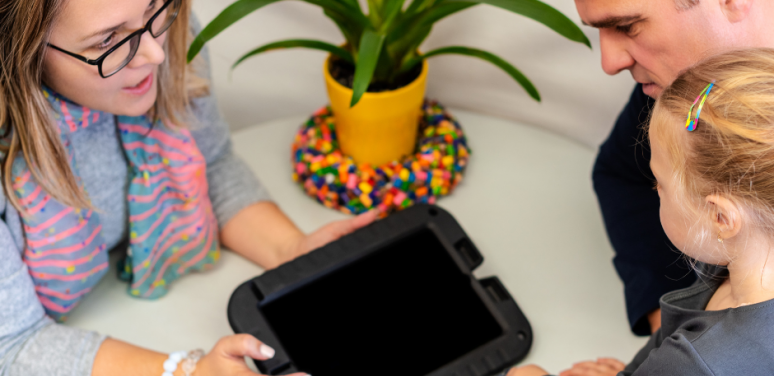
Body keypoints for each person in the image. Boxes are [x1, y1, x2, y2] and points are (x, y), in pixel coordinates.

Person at [0, 0, 377, 375]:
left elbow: (211, 161)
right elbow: (11, 343)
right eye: (107, 42)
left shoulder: (169, 34)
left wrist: (294, 253)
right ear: (19, 50)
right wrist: (188, 371)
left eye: (151, 9)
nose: (155, 54)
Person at [508, 47, 774, 375]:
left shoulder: (694, 362)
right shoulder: (735, 263)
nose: (653, 190)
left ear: (720, 218)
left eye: (658, 185)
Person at [580, 0, 774, 337]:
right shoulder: (689, 96)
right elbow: (621, 174)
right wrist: (671, 325)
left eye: (627, 26)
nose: (609, 63)